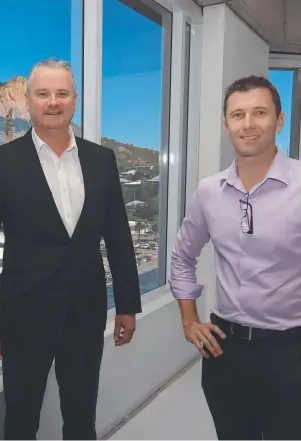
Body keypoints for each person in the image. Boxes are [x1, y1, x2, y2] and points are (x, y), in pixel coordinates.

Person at [0, 58, 142, 440]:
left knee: (81, 418)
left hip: (86, 313)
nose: (53, 102)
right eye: (43, 94)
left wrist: (127, 303)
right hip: (22, 318)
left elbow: (117, 235)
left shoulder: (102, 160)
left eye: (62, 93)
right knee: (21, 418)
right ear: (27, 101)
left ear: (74, 100)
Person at [170, 75, 301, 440]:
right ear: (226, 125)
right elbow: (182, 257)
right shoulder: (210, 192)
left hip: (290, 350)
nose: (248, 124)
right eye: (238, 114)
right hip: (224, 349)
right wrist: (189, 321)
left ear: (279, 120)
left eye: (259, 112)